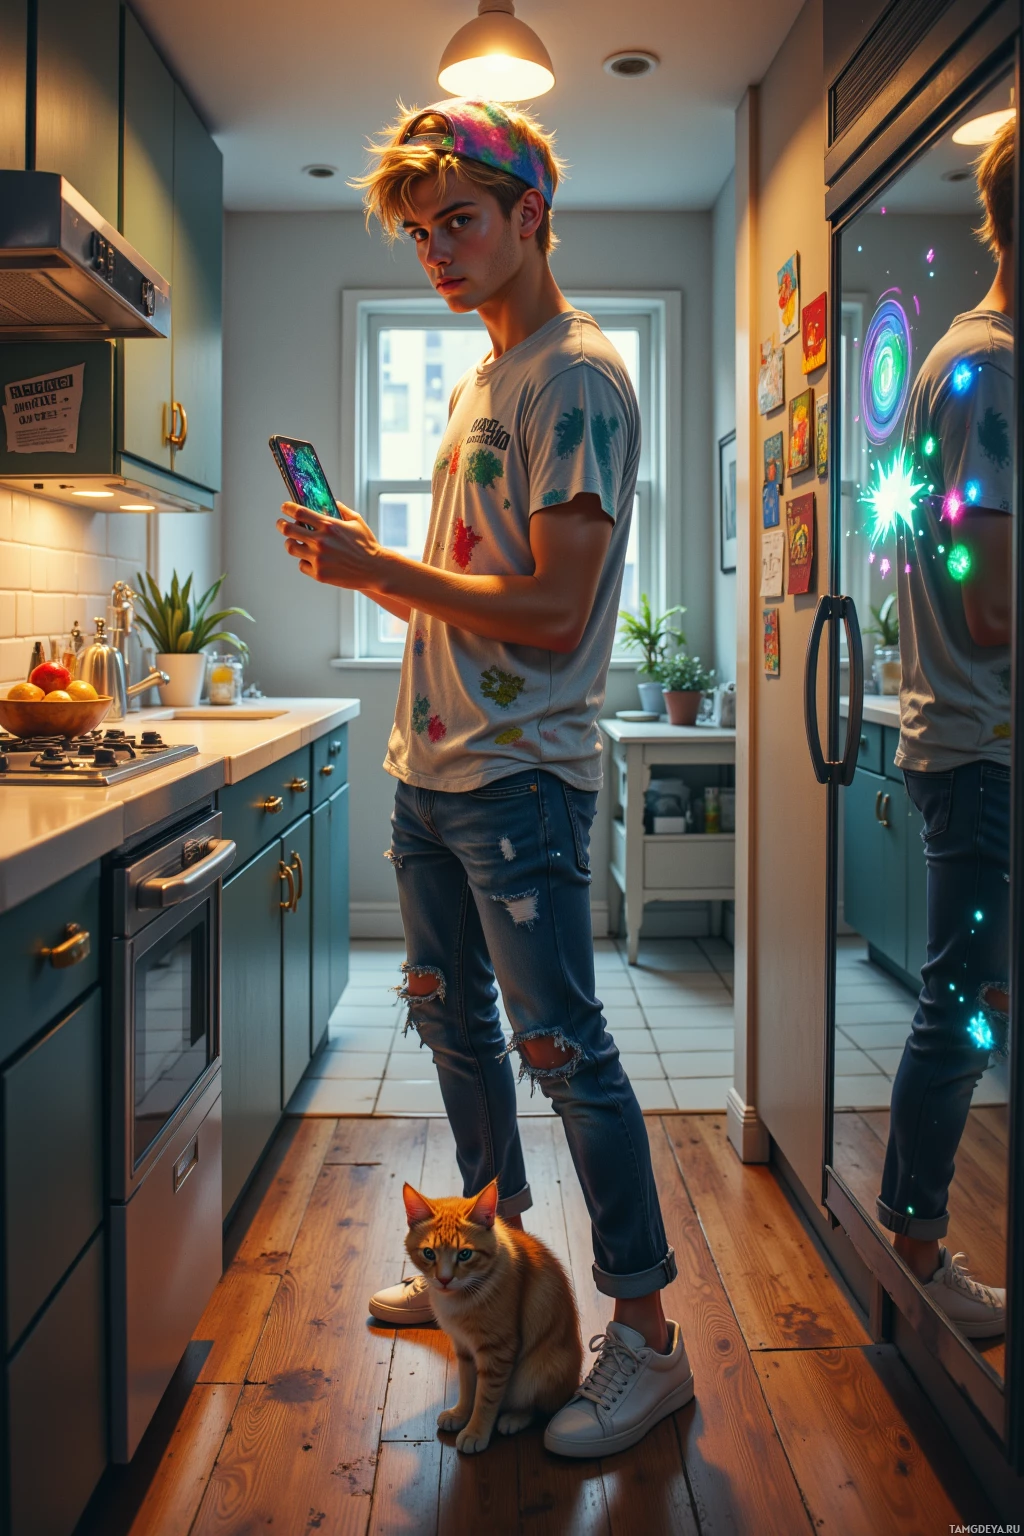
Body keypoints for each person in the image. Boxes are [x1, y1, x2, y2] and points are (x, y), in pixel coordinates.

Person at [275, 98, 694, 1456]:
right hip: (433, 773)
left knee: (567, 1056)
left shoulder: (574, 379)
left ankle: (645, 1341)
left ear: (531, 215)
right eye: (418, 231)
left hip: (516, 787)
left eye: (461, 220)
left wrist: (377, 568)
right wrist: (368, 568)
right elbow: (479, 610)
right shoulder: (482, 382)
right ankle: (488, 1271)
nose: (438, 251)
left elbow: (561, 613)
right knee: (460, 1043)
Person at [878, 118, 1015, 1338]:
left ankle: (909, 1237)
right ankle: (915, 1247)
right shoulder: (996, 368)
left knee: (966, 1001)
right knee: (961, 1008)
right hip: (983, 745)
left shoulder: (963, 361)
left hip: (964, 741)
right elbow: (990, 597)